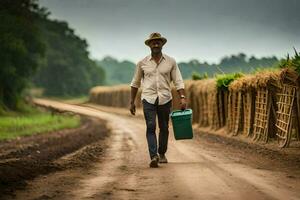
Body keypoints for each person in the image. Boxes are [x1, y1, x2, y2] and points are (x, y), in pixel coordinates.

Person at [130, 32, 187, 168]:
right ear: (149, 45)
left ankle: (162, 153)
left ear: (162, 44)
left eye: (158, 42)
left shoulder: (171, 62)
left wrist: (183, 98)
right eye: (153, 42)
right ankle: (153, 156)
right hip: (148, 99)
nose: (156, 44)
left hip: (165, 99)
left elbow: (178, 81)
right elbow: (135, 83)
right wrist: (132, 102)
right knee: (150, 126)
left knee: (164, 128)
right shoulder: (142, 63)